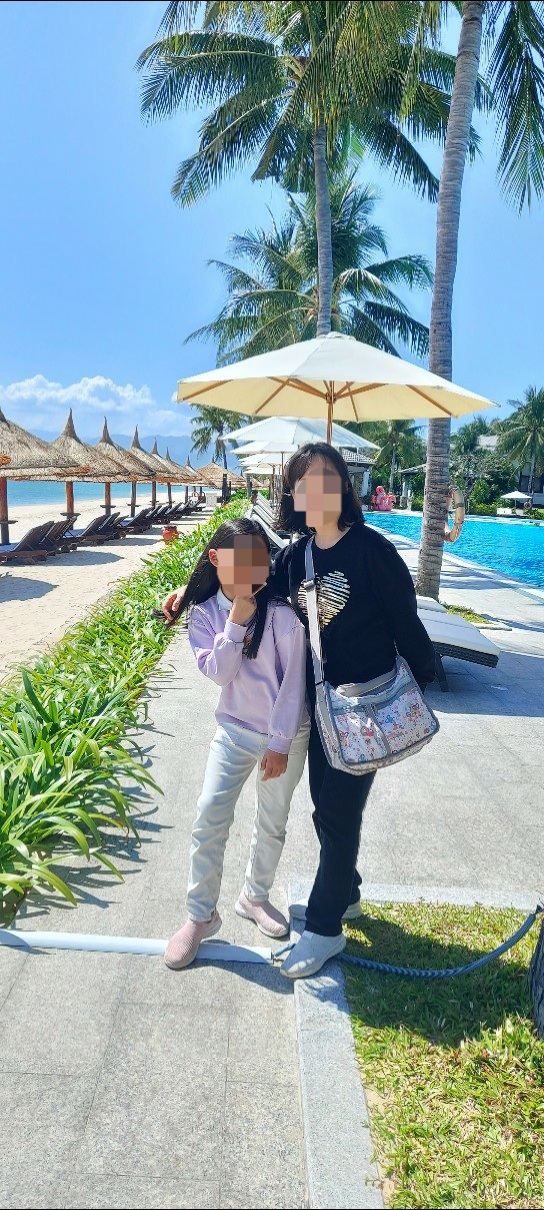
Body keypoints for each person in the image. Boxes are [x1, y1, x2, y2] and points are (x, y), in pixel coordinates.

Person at [163, 444, 435, 980]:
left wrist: (420, 685)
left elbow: (407, 621)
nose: (317, 490)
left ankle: (326, 927)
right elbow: (248, 579)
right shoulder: (296, 557)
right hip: (319, 709)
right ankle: (347, 891)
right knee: (326, 808)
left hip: (363, 708)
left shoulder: (373, 552)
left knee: (336, 812)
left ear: (343, 487)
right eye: (304, 482)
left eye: (327, 478)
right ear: (294, 495)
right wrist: (189, 589)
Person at [164, 517, 310, 970]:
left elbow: (294, 684)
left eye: (259, 559)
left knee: (272, 821)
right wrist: (235, 622)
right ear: (215, 558)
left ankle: (254, 896)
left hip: (285, 737)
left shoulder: (282, 614)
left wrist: (280, 743)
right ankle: (200, 915)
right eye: (242, 558)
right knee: (209, 815)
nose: (252, 567)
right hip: (233, 731)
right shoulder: (203, 615)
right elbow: (219, 673)